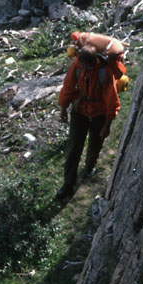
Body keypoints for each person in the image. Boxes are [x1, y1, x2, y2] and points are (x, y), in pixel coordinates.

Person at [56, 44, 120, 200]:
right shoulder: (77, 66)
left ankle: (90, 166)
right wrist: (63, 108)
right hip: (80, 110)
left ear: (94, 62)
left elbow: (112, 101)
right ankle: (68, 185)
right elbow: (69, 87)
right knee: (73, 148)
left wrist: (107, 125)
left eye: (87, 66)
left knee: (95, 143)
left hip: (99, 113)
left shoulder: (105, 73)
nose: (84, 69)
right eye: (81, 64)